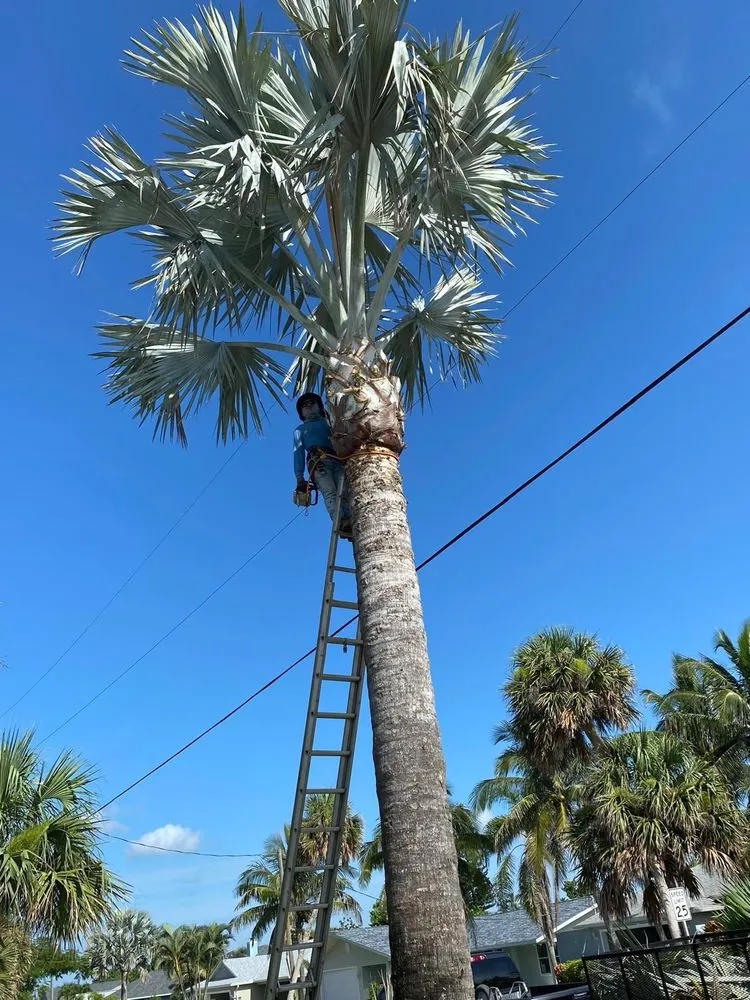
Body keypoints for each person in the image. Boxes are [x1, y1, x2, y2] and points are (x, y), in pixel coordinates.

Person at [293, 392, 352, 536]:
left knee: (344, 491)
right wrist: (299, 477)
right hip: (319, 462)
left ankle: (351, 519)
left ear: (319, 406)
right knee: (330, 491)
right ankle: (341, 521)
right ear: (302, 412)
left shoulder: (329, 422)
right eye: (304, 405)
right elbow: (298, 453)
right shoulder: (300, 430)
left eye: (312, 403)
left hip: (338, 460)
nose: (308, 406)